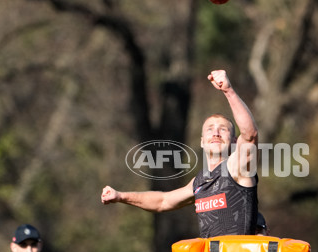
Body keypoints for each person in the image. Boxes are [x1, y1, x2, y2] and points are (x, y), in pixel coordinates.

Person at [101, 70, 259, 238]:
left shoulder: (238, 168)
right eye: (210, 129)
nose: (216, 133)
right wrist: (121, 196)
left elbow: (250, 136)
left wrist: (229, 92)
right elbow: (163, 201)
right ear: (202, 141)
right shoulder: (200, 182)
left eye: (223, 129)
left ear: (234, 141)